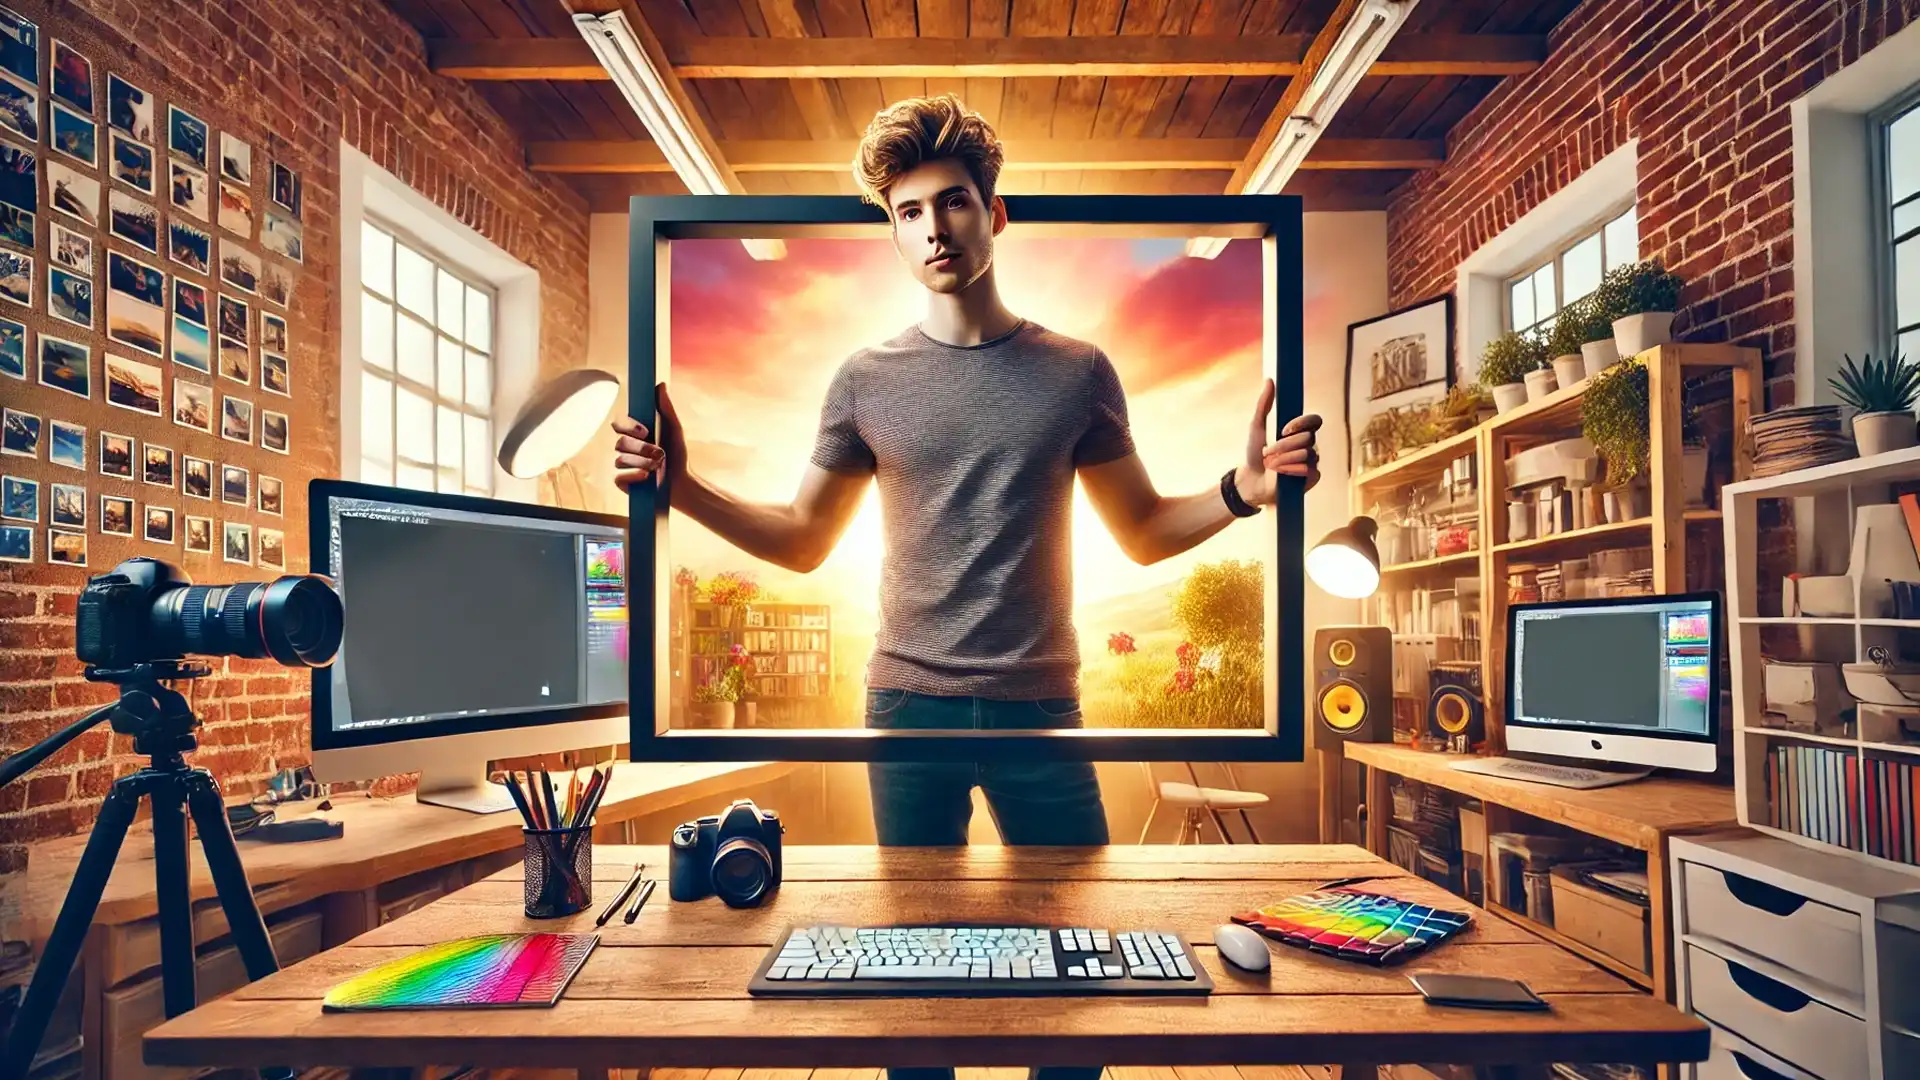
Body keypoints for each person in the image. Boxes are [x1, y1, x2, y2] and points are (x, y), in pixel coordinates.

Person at [613, 94, 1318, 1080]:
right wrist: (679, 487)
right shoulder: (865, 378)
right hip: (906, 712)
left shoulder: (1078, 371)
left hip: (1044, 712)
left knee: (1083, 974)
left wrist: (1245, 492)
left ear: (995, 213)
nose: (933, 227)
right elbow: (805, 540)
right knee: (915, 993)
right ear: (891, 232)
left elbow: (1147, 530)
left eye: (951, 202)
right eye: (907, 211)